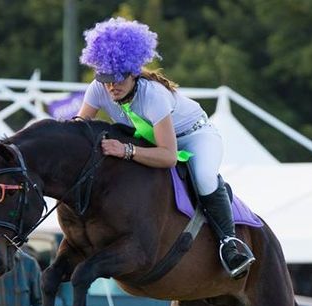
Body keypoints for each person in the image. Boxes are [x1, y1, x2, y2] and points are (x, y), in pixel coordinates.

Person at [77, 17, 255, 279]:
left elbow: (169, 156)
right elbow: (79, 127)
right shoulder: (99, 88)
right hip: (151, 141)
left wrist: (125, 150)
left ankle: (229, 242)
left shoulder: (153, 96)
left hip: (194, 137)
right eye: (106, 79)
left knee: (204, 177)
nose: (111, 86)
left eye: (117, 78)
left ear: (133, 71)